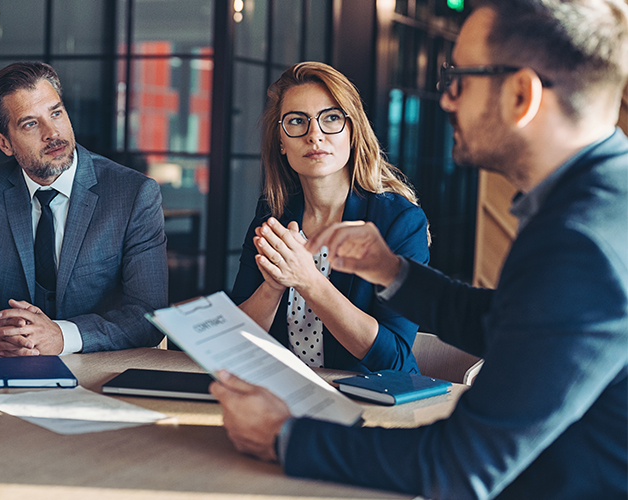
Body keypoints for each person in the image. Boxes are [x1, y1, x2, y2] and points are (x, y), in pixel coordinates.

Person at [211, 0, 628, 498]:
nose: (446, 100)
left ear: (521, 94)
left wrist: (283, 436)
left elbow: (459, 464)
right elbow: (509, 318)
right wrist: (391, 271)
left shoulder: (579, 242)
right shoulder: (598, 202)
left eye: (461, 79)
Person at [0, 62, 167, 356]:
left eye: (56, 113)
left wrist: (62, 336)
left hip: (101, 369)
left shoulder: (133, 194)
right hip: (11, 363)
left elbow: (148, 313)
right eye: (30, 123)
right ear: (4, 143)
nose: (52, 132)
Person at [231, 62, 429, 373]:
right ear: (281, 142)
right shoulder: (272, 215)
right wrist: (272, 286)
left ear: (352, 132)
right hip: (286, 396)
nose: (314, 135)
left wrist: (308, 280)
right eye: (297, 121)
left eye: (331, 118)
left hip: (373, 402)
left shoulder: (400, 222)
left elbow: (394, 358)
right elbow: (236, 344)